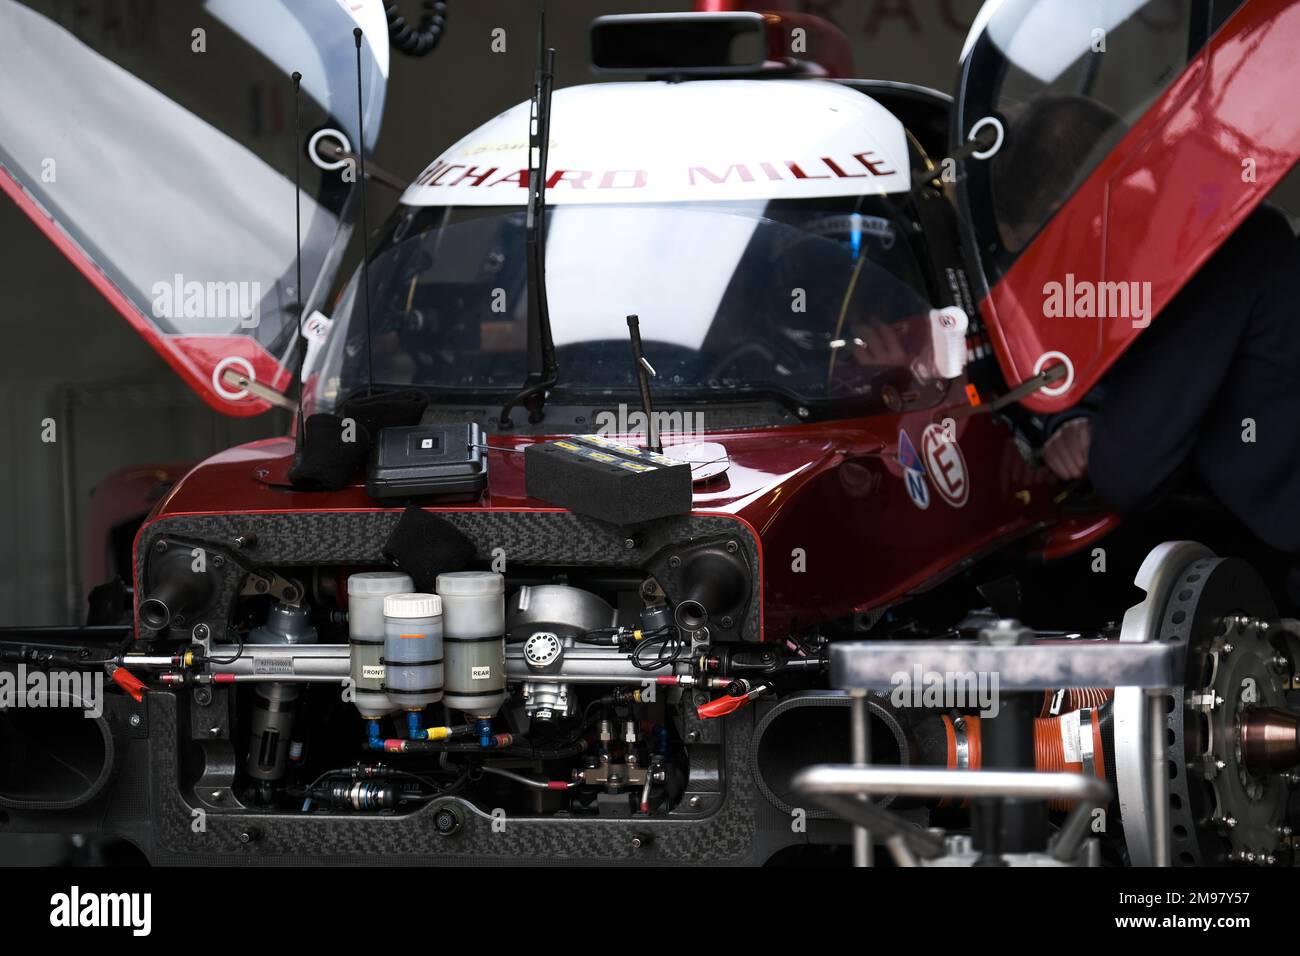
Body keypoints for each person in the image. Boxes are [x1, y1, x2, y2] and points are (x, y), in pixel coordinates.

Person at [994, 96, 1300, 555]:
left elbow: (1127, 471)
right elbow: (1112, 368)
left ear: (1069, 214)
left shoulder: (1205, 252)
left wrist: (1096, 436)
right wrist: (1077, 420)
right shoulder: (1168, 224)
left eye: (1036, 246)